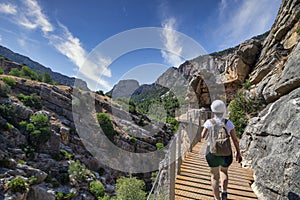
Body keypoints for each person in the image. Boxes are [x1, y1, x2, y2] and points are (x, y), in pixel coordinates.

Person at [201, 100, 242, 200]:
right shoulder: (228, 123)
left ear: (213, 110)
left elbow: (202, 136)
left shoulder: (209, 122)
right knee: (224, 171)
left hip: (212, 152)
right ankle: (224, 192)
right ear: (223, 110)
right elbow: (235, 140)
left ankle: (216, 198)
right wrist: (238, 153)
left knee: (214, 176)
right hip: (226, 152)